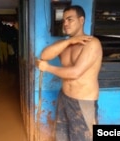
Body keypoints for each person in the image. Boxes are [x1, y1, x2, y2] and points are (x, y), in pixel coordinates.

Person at [36, 5, 103, 141]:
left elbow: (75, 73)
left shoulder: (92, 43)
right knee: (62, 136)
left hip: (83, 102)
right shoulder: (65, 44)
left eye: (70, 19)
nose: (65, 23)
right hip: (64, 97)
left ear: (81, 20)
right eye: (64, 20)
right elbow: (44, 55)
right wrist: (70, 41)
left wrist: (47, 68)